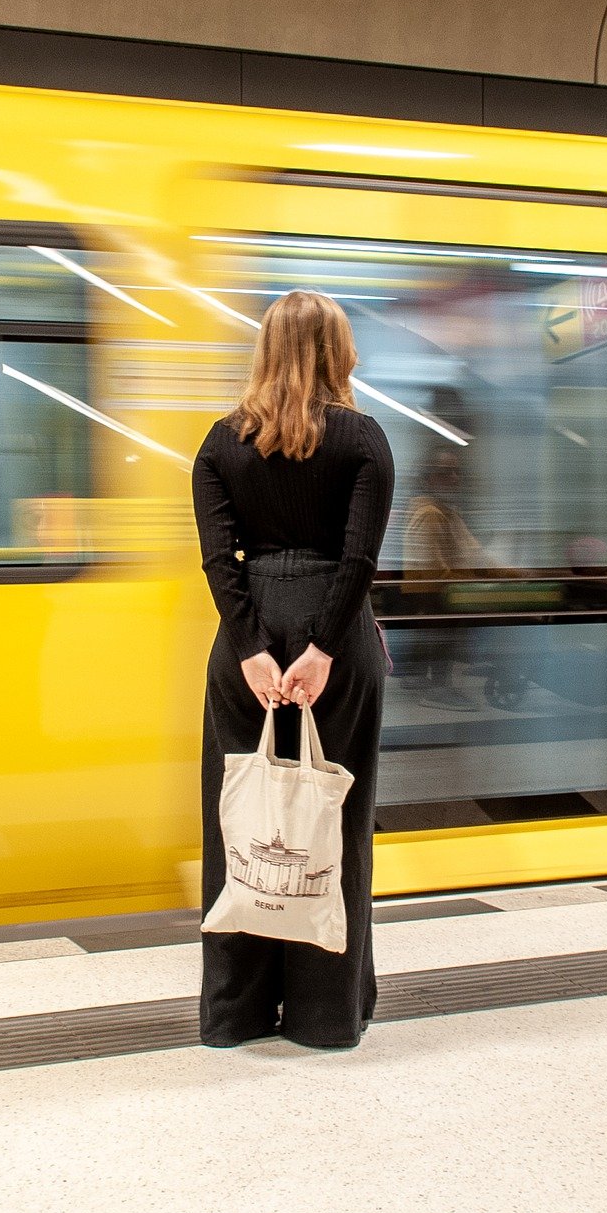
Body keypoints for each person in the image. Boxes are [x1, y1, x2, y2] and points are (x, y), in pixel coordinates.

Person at [190, 290, 395, 1049]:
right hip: (335, 641)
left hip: (243, 650)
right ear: (338, 351)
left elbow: (219, 559)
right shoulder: (364, 440)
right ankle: (322, 1014)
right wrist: (324, 650)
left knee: (240, 824)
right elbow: (360, 560)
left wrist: (250, 648)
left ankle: (234, 1014)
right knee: (334, 824)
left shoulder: (219, 444)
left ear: (266, 351)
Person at [402, 444, 496, 711]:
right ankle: (437, 687)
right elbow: (435, 572)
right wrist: (476, 578)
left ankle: (433, 681)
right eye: (445, 473)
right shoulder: (429, 514)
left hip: (439, 594)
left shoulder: (447, 513)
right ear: (428, 478)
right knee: (446, 625)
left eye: (457, 472)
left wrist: (512, 573)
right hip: (432, 598)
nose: (454, 479)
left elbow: (475, 553)